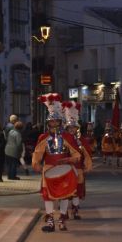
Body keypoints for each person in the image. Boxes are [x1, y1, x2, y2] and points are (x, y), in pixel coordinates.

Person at [32, 94, 81, 232]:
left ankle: (62, 220)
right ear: (48, 123)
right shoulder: (43, 137)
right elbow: (38, 152)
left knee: (64, 195)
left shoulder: (67, 137)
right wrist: (36, 163)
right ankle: (50, 222)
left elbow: (76, 153)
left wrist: (71, 159)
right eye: (51, 122)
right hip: (48, 168)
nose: (54, 124)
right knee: (48, 196)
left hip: (64, 168)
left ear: (60, 122)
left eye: (56, 122)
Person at [63, 101, 93, 220]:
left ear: (77, 128)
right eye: (70, 127)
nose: (72, 129)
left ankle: (75, 210)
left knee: (77, 190)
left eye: (74, 127)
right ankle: (63, 211)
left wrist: (87, 164)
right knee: (65, 191)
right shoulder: (62, 139)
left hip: (78, 168)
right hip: (65, 168)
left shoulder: (81, 140)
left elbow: (87, 153)